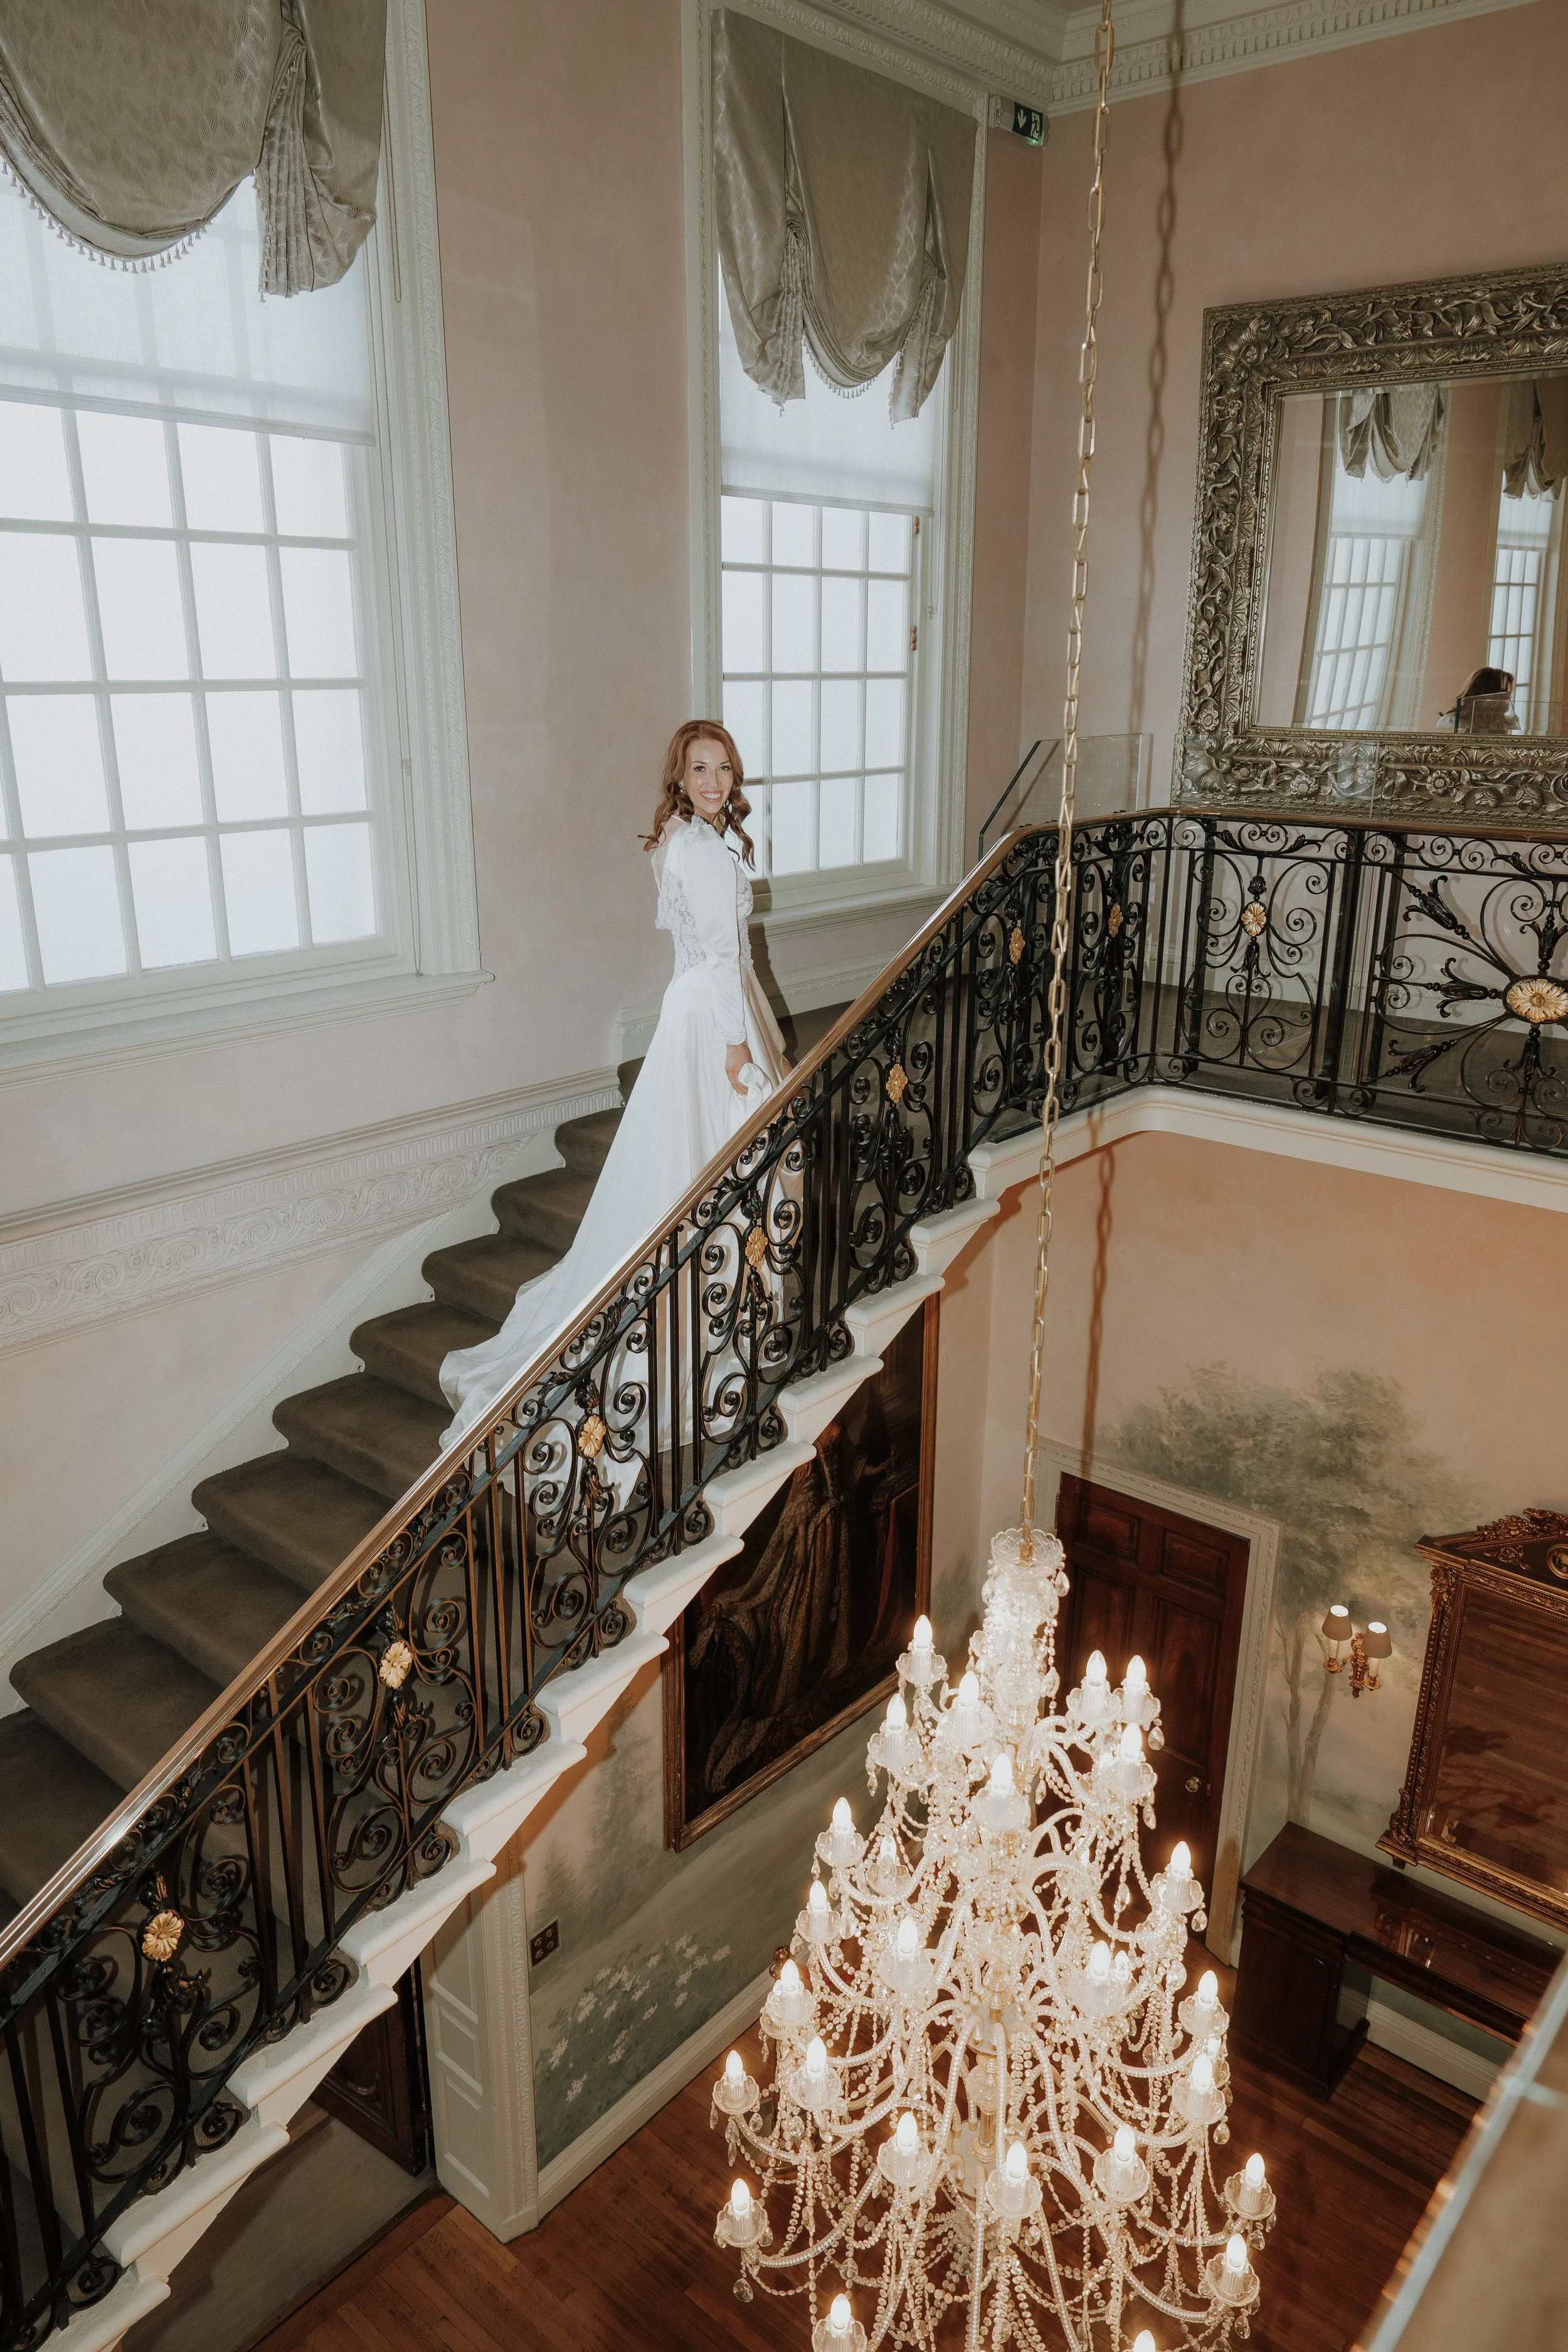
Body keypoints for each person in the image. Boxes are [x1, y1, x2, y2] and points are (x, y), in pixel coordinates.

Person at [438, 720, 790, 1449]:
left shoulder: (680, 844)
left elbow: (697, 956)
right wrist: (735, 1050)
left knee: (691, 1172)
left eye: (724, 768)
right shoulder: (705, 854)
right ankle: (702, 1321)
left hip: (689, 1008)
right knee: (718, 1169)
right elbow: (723, 958)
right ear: (680, 777)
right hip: (712, 1022)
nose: (716, 781)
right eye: (700, 769)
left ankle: (719, 1300)